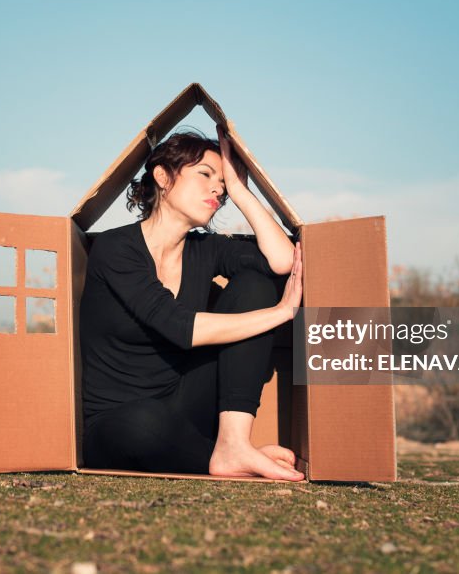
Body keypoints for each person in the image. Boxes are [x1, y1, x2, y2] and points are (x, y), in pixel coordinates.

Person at [80, 126, 304, 481]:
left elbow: (283, 262)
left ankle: (233, 444)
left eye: (223, 184)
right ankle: (228, 458)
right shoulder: (114, 249)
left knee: (255, 285)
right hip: (119, 422)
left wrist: (242, 191)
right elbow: (178, 326)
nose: (218, 188)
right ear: (163, 176)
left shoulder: (206, 248)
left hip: (186, 407)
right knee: (145, 424)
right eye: (205, 174)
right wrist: (281, 314)